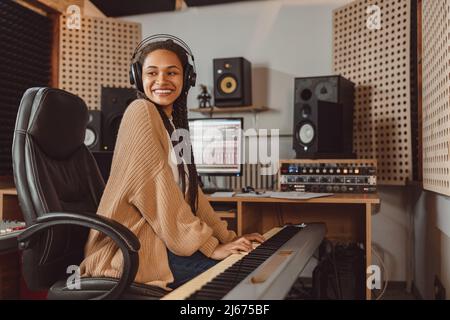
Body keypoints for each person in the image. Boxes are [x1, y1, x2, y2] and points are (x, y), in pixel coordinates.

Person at [80, 36, 264, 291]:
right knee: (242, 275)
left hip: (164, 241)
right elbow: (158, 194)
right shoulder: (140, 111)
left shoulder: (176, 128)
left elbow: (193, 196)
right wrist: (212, 247)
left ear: (187, 79)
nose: (162, 81)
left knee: (247, 263)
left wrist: (230, 239)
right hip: (135, 250)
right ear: (138, 77)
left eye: (172, 72)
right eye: (152, 72)